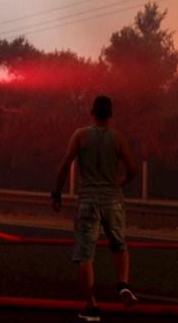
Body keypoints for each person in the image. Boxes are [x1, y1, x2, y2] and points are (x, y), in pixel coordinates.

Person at [52, 95, 138, 322]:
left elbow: (65, 164)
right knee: (119, 245)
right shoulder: (118, 138)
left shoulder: (80, 135)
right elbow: (132, 169)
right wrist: (120, 182)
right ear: (110, 114)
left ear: (92, 112)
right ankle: (123, 285)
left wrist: (57, 192)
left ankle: (91, 307)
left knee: (85, 256)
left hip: (88, 201)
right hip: (113, 201)